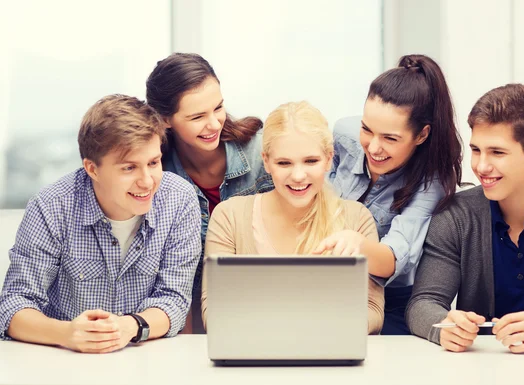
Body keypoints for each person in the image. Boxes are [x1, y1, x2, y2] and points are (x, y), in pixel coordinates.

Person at [406, 83, 524, 353]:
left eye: (497, 152)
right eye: (476, 150)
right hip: (476, 369)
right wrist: (444, 326)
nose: (481, 166)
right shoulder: (455, 215)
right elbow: (422, 303)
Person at [0, 95, 202, 353]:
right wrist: (67, 333)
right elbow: (14, 305)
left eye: (153, 163)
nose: (147, 181)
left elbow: (173, 299)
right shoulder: (51, 205)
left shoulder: (179, 199)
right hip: (60, 360)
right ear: (92, 169)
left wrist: (130, 326)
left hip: (144, 361)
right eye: (129, 168)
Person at [201, 101, 385, 334]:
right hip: (253, 361)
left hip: (331, 359)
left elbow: (373, 311)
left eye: (311, 161)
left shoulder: (357, 219)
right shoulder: (229, 217)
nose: (298, 176)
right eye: (284, 163)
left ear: (329, 159)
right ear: (266, 161)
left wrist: (303, 331)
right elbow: (214, 312)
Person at [319, 54, 464, 334]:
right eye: (367, 129)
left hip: (390, 303)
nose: (373, 147)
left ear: (421, 135)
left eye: (390, 138)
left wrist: (355, 243)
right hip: (325, 287)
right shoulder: (343, 134)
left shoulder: (432, 181)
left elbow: (393, 259)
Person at [146, 53, 273, 333]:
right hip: (189, 319)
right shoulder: (154, 177)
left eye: (218, 108)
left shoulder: (263, 156)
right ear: (165, 119)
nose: (214, 123)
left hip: (268, 306)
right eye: (197, 116)